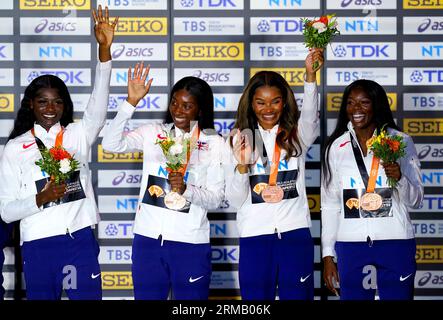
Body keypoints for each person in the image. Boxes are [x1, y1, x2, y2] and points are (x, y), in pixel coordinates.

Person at [0, 5, 117, 300]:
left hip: (79, 239)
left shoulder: (77, 134)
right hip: (39, 243)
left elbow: (98, 106)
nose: (50, 109)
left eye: (57, 102)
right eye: (43, 102)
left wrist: (104, 51)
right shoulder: (16, 147)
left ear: (65, 105)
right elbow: (6, 210)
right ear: (31, 105)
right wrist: (41, 199)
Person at [102, 63, 225, 300]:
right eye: (175, 103)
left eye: (187, 106)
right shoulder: (153, 132)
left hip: (190, 245)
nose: (178, 110)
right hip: (147, 241)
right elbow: (110, 144)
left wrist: (187, 190)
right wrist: (131, 103)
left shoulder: (214, 143)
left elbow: (216, 199)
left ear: (200, 110)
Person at [224, 49, 324, 300]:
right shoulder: (238, 138)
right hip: (255, 238)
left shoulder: (297, 135)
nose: (268, 109)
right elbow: (235, 201)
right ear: (251, 104)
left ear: (284, 101)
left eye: (275, 101)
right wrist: (242, 167)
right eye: (261, 102)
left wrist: (310, 78)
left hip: (295, 235)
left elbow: (311, 117)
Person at [321, 79, 424, 300]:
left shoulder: (400, 141)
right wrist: (328, 254)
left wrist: (400, 178)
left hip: (395, 242)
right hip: (351, 245)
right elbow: (329, 205)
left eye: (363, 102)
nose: (355, 109)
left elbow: (416, 200)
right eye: (350, 103)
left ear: (376, 105)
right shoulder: (336, 147)